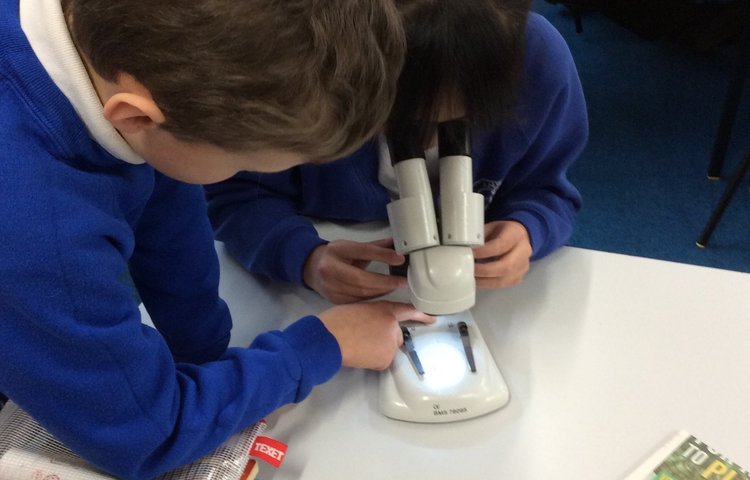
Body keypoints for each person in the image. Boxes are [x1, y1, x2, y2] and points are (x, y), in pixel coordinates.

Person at [0, 0, 436, 478]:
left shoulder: (120, 60)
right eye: (243, 166)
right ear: (135, 116)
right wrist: (320, 345)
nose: (245, 173)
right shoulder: (38, 230)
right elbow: (145, 438)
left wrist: (205, 348)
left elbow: (164, 185)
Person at [205, 0, 589, 305]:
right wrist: (303, 257)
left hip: (482, 293)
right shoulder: (300, 68)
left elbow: (548, 190)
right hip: (322, 276)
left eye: (442, 117)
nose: (421, 137)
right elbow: (236, 195)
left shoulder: (535, 62)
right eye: (394, 116)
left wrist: (528, 229)